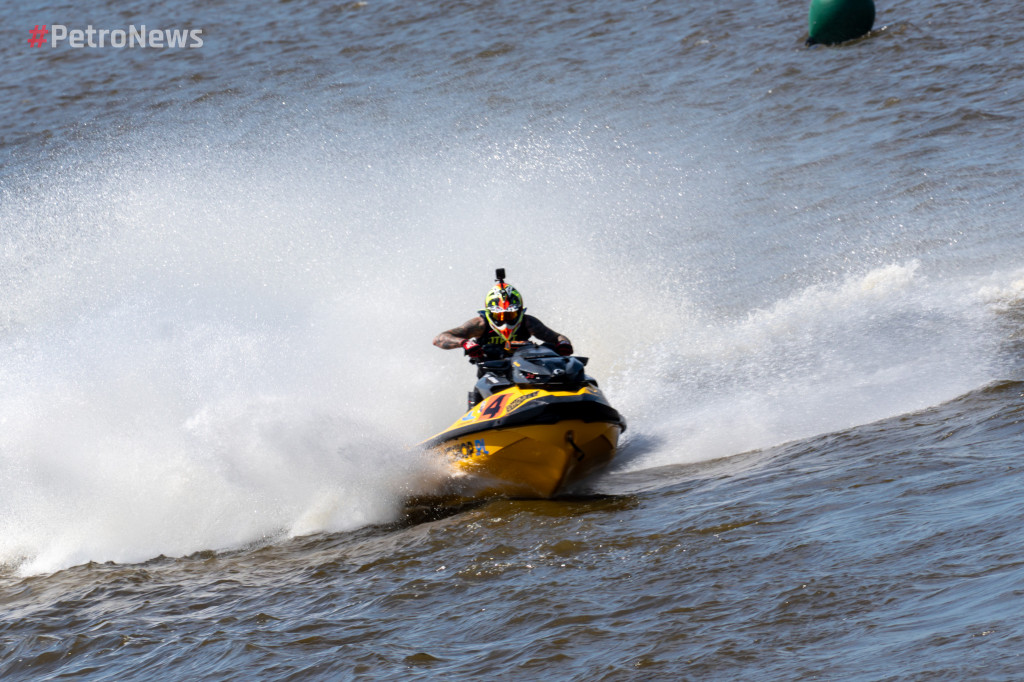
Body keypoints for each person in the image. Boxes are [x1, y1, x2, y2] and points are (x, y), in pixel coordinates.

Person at [433, 274, 574, 359]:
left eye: (510, 314)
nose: (505, 320)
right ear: (490, 312)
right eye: (499, 315)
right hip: (491, 375)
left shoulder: (528, 322)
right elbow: (439, 338)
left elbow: (557, 337)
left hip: (528, 373)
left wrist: (564, 344)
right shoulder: (480, 324)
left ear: (518, 311)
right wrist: (465, 343)